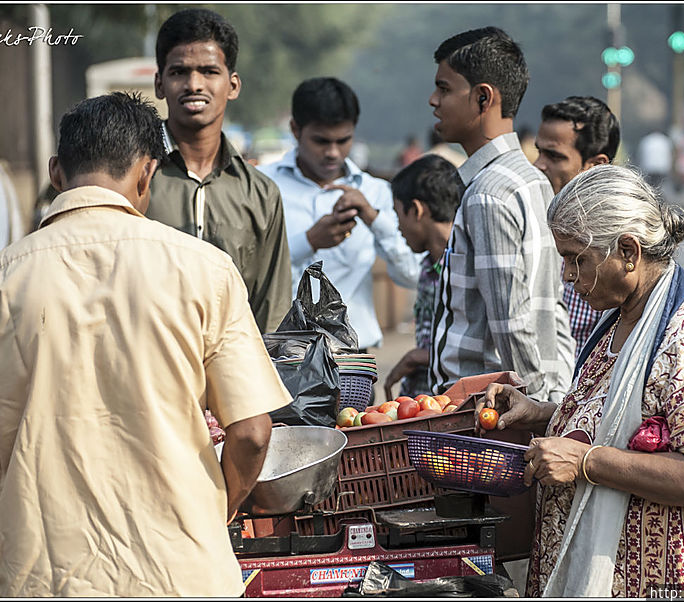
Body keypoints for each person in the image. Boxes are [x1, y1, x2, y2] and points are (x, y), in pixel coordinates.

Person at [0, 92, 292, 597]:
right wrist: (211, 514)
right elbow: (253, 435)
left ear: (56, 173)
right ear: (147, 175)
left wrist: (22, 536)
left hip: (47, 582)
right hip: (185, 574)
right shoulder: (205, 270)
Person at [476, 164, 684, 596]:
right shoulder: (624, 319)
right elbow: (614, 418)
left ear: (628, 251)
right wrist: (543, 414)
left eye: (576, 259)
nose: (567, 276)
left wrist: (587, 463)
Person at [427, 26, 575, 402]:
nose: (433, 100)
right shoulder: (531, 180)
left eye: (444, 89)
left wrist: (535, 406)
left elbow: (512, 322)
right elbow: (551, 305)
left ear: (482, 98)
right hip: (536, 394)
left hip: (484, 411)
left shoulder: (488, 194)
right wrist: (554, 400)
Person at [145, 8, 291, 333]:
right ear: (159, 83)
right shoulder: (133, 177)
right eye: (179, 72)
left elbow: (272, 314)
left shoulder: (260, 194)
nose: (194, 84)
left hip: (231, 375)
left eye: (209, 71)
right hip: (145, 374)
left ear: (233, 85)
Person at [260, 77, 420, 352]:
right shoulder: (263, 187)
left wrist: (373, 218)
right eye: (321, 141)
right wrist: (308, 242)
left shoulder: (375, 192)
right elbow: (246, 273)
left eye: (343, 140)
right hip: (281, 355)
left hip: (352, 361)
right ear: (295, 130)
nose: (333, 152)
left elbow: (413, 274)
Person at [533, 96, 621, 354]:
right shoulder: (541, 219)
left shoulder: (613, 244)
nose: (539, 165)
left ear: (595, 166)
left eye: (554, 156)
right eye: (539, 152)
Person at [382, 154, 463, 399]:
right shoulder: (430, 266)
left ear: (416, 210)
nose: (398, 227)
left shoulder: (463, 265)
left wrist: (421, 355)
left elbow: (480, 345)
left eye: (398, 216)